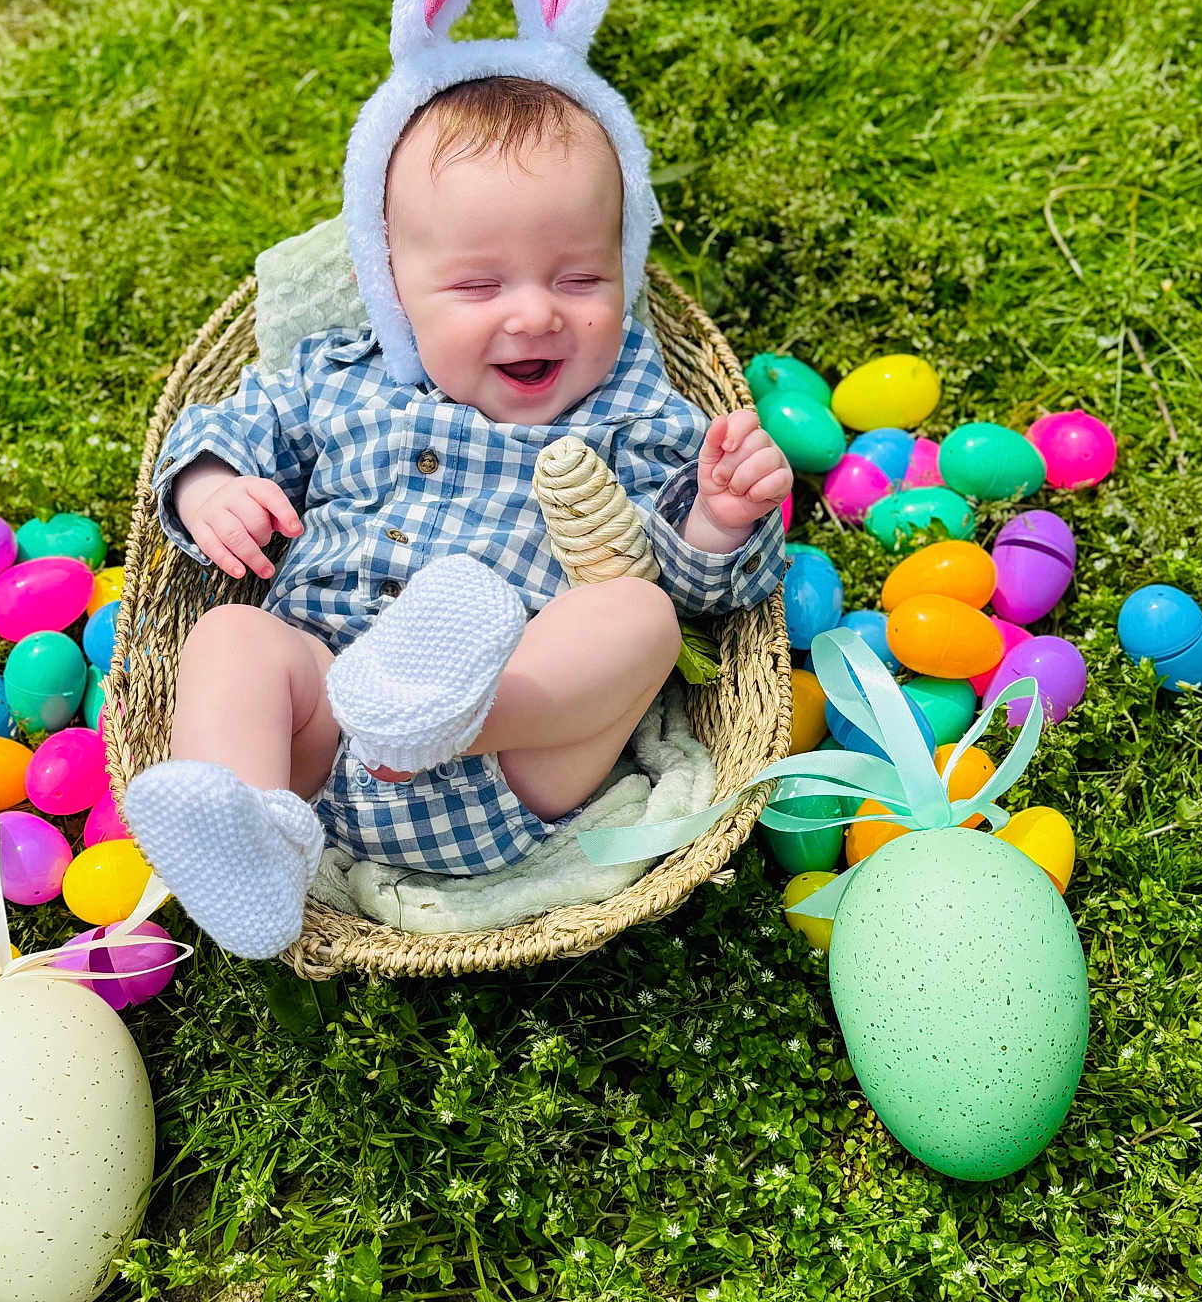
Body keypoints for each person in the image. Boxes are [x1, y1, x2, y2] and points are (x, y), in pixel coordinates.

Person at [124, 76, 793, 959]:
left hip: (518, 754)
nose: (535, 311)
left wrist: (719, 512)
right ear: (393, 285)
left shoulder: (634, 406)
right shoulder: (339, 376)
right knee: (229, 638)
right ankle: (246, 831)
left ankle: (448, 712)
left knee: (642, 617)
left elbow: (702, 583)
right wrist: (210, 486)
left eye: (582, 277)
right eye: (479, 286)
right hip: (319, 740)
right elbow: (228, 426)